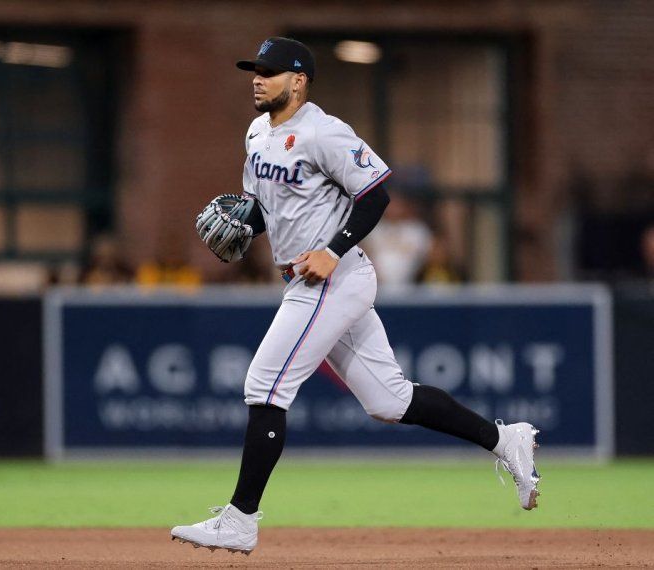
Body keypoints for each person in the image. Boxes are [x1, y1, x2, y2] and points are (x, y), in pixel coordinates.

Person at [170, 37, 540, 555]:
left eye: (269, 72)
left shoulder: (324, 132)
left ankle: (240, 519)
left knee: (265, 386)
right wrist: (246, 224)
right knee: (390, 400)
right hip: (306, 277)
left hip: (332, 278)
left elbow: (375, 195)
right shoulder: (256, 133)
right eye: (255, 70)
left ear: (298, 81)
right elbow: (267, 206)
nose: (257, 79)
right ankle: (505, 440)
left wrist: (333, 250)